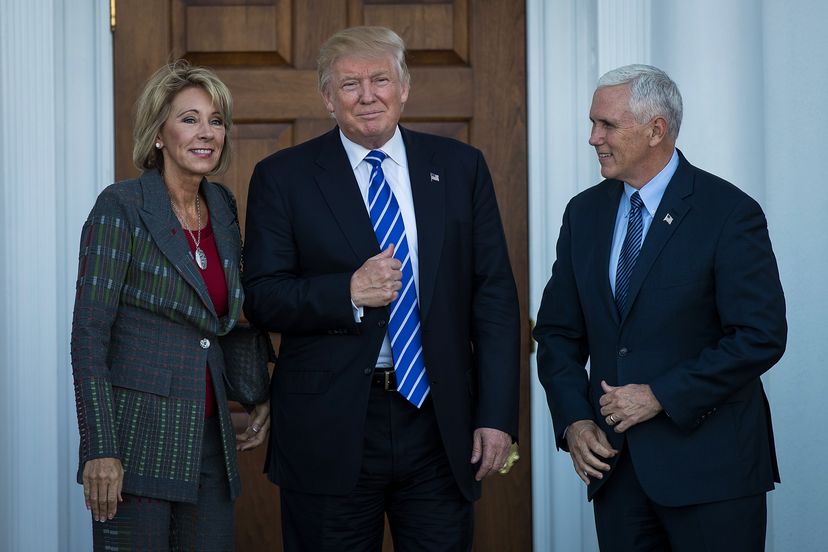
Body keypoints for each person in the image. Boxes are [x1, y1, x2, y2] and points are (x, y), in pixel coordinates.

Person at [243, 26, 520, 551]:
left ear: (405, 87)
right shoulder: (284, 176)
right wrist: (346, 290)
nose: (367, 96)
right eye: (349, 84)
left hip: (438, 424)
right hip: (330, 426)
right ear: (328, 98)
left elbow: (495, 300)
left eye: (380, 80)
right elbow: (261, 296)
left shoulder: (460, 167)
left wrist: (496, 416)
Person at [534, 64, 787, 551]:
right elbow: (558, 332)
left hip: (713, 474)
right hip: (618, 471)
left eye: (607, 124)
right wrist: (574, 419)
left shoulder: (729, 213)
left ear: (656, 130)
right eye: (593, 123)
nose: (593, 138)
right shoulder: (583, 213)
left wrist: (661, 395)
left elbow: (760, 335)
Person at [71, 60, 270, 550]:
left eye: (216, 120)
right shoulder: (121, 206)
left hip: (208, 439)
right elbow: (90, 333)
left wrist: (257, 388)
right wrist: (100, 449)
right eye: (190, 118)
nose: (207, 132)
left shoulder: (222, 206)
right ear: (158, 133)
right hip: (137, 443)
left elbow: (223, 314)